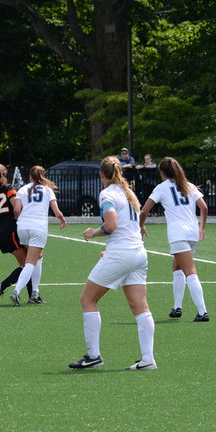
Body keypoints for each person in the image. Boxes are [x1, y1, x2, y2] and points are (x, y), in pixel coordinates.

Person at [68, 156, 156, 371]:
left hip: (122, 254)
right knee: (140, 306)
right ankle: (148, 359)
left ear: (101, 174)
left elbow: (111, 225)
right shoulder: (129, 193)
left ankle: (93, 356)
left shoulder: (107, 194)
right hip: (138, 254)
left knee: (87, 299)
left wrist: (93, 232)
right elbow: (131, 227)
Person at [139, 157, 209, 322]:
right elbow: (204, 207)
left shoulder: (161, 188)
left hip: (178, 234)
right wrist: (201, 229)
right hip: (191, 232)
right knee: (177, 266)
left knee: (189, 270)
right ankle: (177, 308)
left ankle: (202, 312)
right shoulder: (188, 185)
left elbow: (144, 211)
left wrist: (140, 226)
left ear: (162, 172)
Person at [8, 165, 67, 306]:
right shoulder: (47, 190)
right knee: (30, 262)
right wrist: (62, 220)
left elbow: (16, 210)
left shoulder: (22, 189)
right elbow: (57, 212)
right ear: (42, 176)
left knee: (38, 257)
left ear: (30, 176)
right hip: (38, 227)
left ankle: (35, 292)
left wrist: (19, 220)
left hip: (22, 227)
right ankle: (16, 291)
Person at [0, 163, 34, 305]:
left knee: (28, 261)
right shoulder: (9, 189)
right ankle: (2, 286)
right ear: (3, 175)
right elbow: (17, 208)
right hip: (10, 230)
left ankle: (32, 295)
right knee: (27, 264)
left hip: (0, 231)